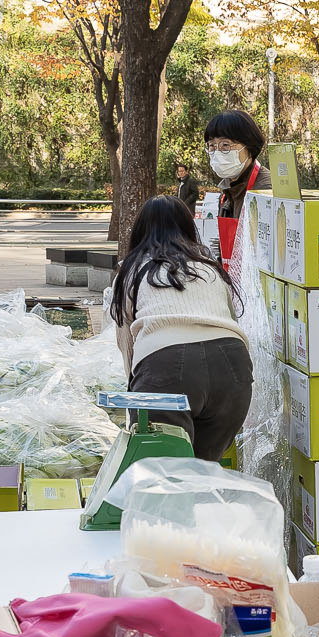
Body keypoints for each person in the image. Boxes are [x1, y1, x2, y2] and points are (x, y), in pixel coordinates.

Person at [112, 195, 253, 461]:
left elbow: (127, 344)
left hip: (166, 370)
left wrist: (138, 394)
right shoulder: (209, 268)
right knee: (201, 473)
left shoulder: (133, 270)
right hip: (233, 370)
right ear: (189, 228)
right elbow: (232, 323)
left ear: (141, 229)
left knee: (164, 476)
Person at [200, 108, 265, 273]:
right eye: (212, 146)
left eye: (225, 145)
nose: (217, 153)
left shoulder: (264, 190)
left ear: (248, 147)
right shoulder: (228, 191)